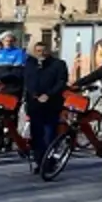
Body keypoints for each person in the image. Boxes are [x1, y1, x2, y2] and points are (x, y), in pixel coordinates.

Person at [23, 41, 67, 172]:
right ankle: (39, 162)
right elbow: (27, 81)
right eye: (38, 51)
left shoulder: (58, 64)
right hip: (34, 105)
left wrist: (49, 94)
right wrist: (33, 95)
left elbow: (61, 82)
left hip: (51, 104)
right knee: (36, 136)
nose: (41, 53)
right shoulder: (30, 64)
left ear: (48, 51)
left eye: (43, 50)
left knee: (49, 135)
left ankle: (48, 163)